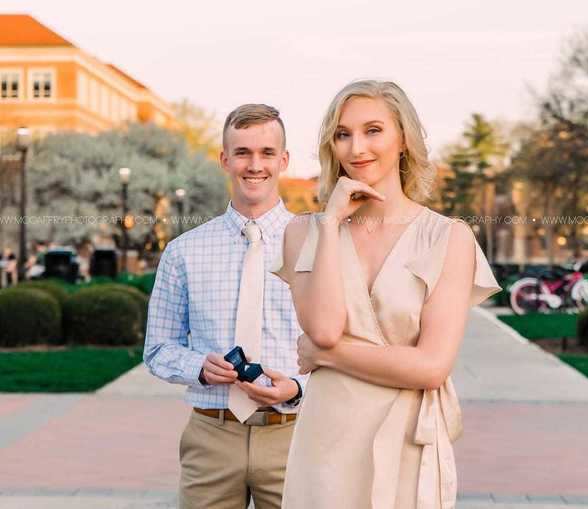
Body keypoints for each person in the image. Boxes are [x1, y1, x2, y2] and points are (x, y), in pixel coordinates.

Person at [271, 80, 502, 508]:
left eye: (373, 130)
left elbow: (431, 366)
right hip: (327, 443)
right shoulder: (303, 231)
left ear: (403, 139)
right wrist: (332, 222)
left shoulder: (449, 238)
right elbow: (323, 329)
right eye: (343, 134)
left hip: (408, 441)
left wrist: (330, 358)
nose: (357, 147)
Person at [144, 104, 306, 509]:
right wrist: (197, 366)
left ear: (283, 160)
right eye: (243, 152)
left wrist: (299, 388)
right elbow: (158, 348)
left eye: (267, 153)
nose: (255, 165)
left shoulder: (316, 246)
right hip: (211, 437)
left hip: (297, 435)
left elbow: (343, 349)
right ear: (224, 159)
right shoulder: (183, 252)